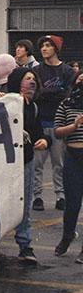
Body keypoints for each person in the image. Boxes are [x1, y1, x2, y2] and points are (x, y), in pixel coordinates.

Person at [4, 67, 49, 264]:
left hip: (26, 161)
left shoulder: (34, 106)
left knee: (25, 205)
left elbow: (38, 131)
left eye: (33, 79)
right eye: (26, 79)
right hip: (5, 162)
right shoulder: (5, 103)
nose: (31, 83)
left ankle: (25, 245)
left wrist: (43, 140)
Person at [33, 35, 76, 212]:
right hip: (41, 122)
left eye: (49, 45)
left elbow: (68, 94)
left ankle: (60, 195)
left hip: (60, 123)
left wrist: (48, 92)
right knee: (38, 163)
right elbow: (36, 93)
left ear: (56, 49)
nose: (44, 49)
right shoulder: (37, 71)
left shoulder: (66, 71)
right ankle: (37, 196)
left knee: (59, 163)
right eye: (42, 45)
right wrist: (53, 92)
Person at [53, 71, 83, 263]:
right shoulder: (66, 104)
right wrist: (74, 126)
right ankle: (67, 236)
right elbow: (57, 132)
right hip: (72, 155)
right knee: (72, 204)